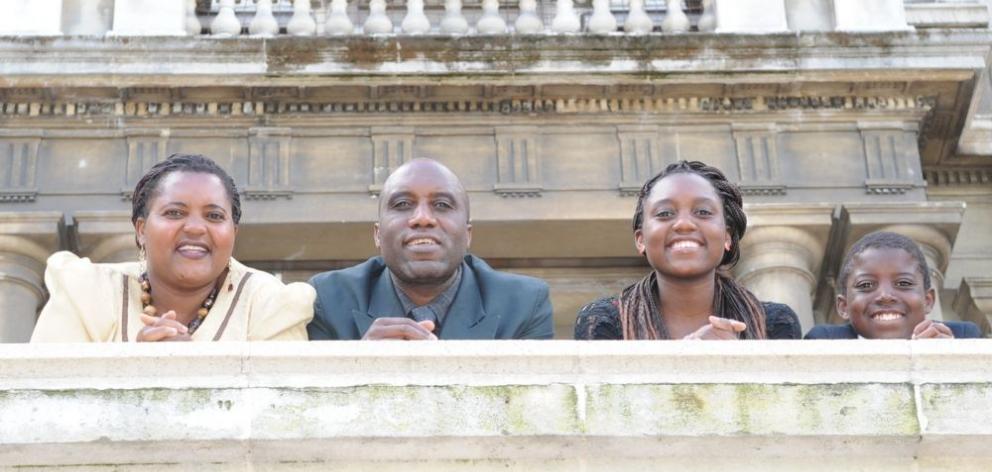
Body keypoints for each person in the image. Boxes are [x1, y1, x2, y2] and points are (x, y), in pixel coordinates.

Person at [31, 154, 314, 342]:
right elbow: (40, 404)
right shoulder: (86, 292)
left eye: (214, 216)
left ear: (233, 233)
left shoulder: (269, 303)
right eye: (175, 213)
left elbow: (282, 416)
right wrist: (132, 372)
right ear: (141, 230)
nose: (195, 227)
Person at [307, 158, 553, 340]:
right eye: (402, 204)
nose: (422, 218)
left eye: (442, 205)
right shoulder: (327, 299)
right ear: (378, 234)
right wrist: (362, 366)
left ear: (467, 235)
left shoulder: (524, 303)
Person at [574, 160, 800, 340]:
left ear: (727, 237)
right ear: (641, 240)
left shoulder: (773, 322)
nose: (684, 224)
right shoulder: (606, 321)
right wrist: (688, 360)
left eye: (702, 212)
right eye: (664, 214)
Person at [805, 231, 980, 339]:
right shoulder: (826, 341)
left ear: (928, 300)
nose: (885, 295)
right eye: (866, 285)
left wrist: (949, 361)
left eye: (903, 283)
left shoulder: (962, 337)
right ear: (843, 306)